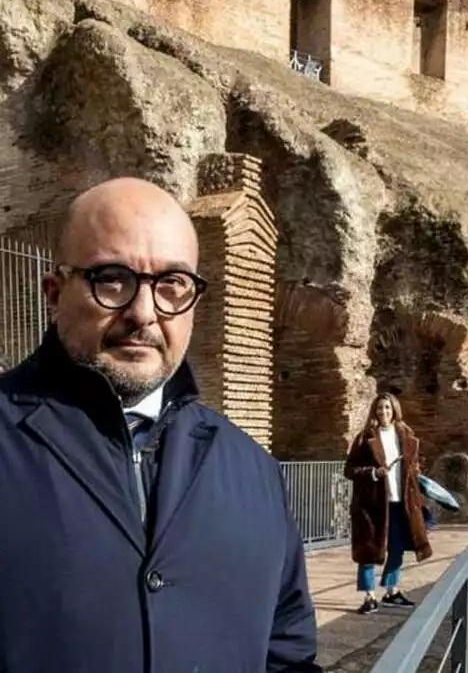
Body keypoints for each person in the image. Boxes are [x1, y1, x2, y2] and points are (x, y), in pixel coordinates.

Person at [0, 178, 320, 672]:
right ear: (54, 293)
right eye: (111, 279)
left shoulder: (252, 469)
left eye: (172, 285)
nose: (144, 313)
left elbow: (288, 654)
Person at [344, 392, 434, 615]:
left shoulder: (407, 435)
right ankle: (369, 596)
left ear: (394, 410)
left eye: (387, 407)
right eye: (379, 408)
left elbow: (414, 465)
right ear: (374, 411)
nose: (383, 412)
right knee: (369, 551)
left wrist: (414, 472)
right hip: (372, 505)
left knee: (397, 549)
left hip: (401, 502)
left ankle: (391, 591)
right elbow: (350, 470)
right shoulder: (364, 438)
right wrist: (374, 472)